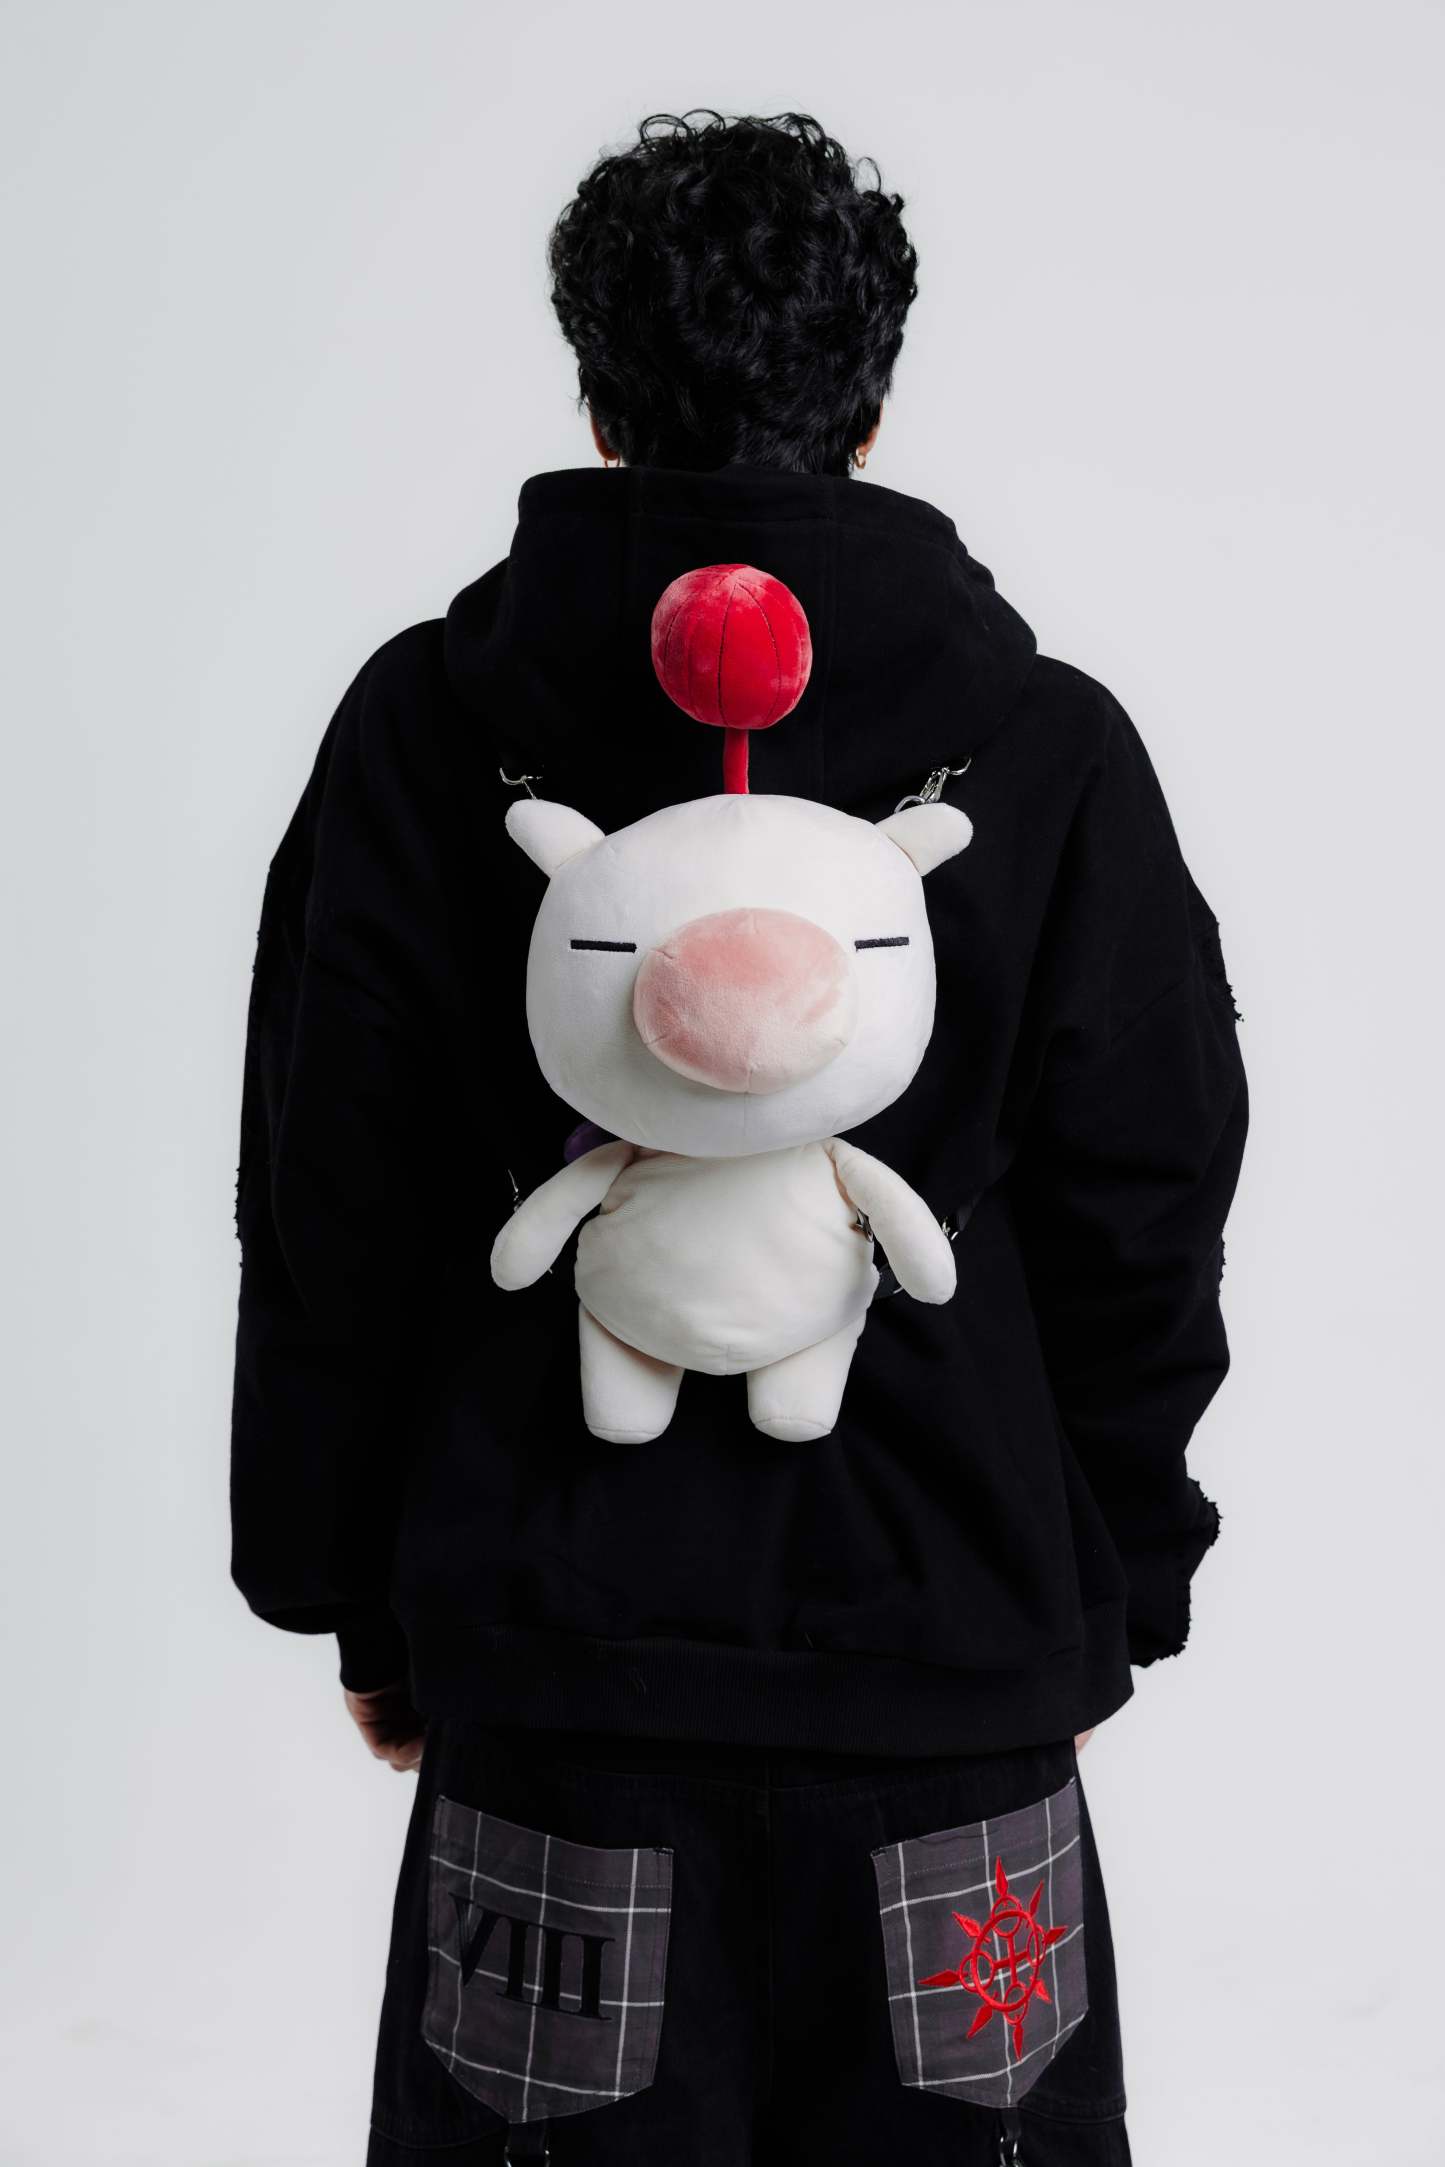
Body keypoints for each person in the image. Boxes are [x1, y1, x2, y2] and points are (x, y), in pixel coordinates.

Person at [230, 110, 1247, 2166]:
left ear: (595, 395)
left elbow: (330, 1195)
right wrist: (1116, 1574)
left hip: (556, 1679)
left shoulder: (425, 728)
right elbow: (1146, 1204)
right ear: (872, 402)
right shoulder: (1046, 747)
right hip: (951, 1674)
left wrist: (344, 1589)